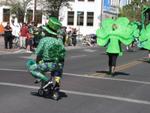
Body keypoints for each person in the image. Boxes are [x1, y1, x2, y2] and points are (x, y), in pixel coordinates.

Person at [26, 17, 66, 99]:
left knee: (31, 68)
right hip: (57, 65)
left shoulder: (44, 40)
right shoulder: (59, 41)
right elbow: (62, 54)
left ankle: (47, 82)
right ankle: (55, 86)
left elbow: (38, 52)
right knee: (58, 68)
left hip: (47, 64)